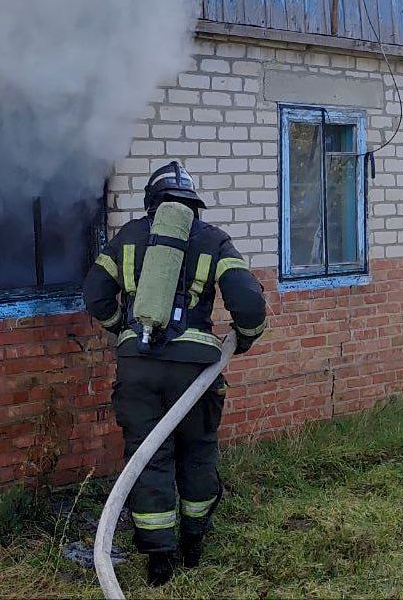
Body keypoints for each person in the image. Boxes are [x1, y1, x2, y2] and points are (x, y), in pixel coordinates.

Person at [83, 161, 267, 586]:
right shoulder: (213, 239)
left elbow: (94, 295)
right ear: (194, 206)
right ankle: (193, 544)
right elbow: (250, 304)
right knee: (197, 452)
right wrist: (245, 337)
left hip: (139, 369)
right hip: (195, 374)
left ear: (152, 203)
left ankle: (158, 561)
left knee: (148, 456)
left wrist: (122, 329)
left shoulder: (127, 237)